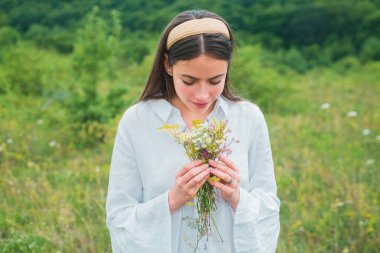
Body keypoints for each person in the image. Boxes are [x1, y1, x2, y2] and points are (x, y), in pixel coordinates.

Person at [106, 9, 280, 253]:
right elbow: (119, 216)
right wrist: (172, 200)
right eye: (188, 81)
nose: (202, 95)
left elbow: (269, 207)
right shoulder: (137, 121)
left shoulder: (248, 118)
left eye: (215, 81)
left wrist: (236, 197)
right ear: (168, 65)